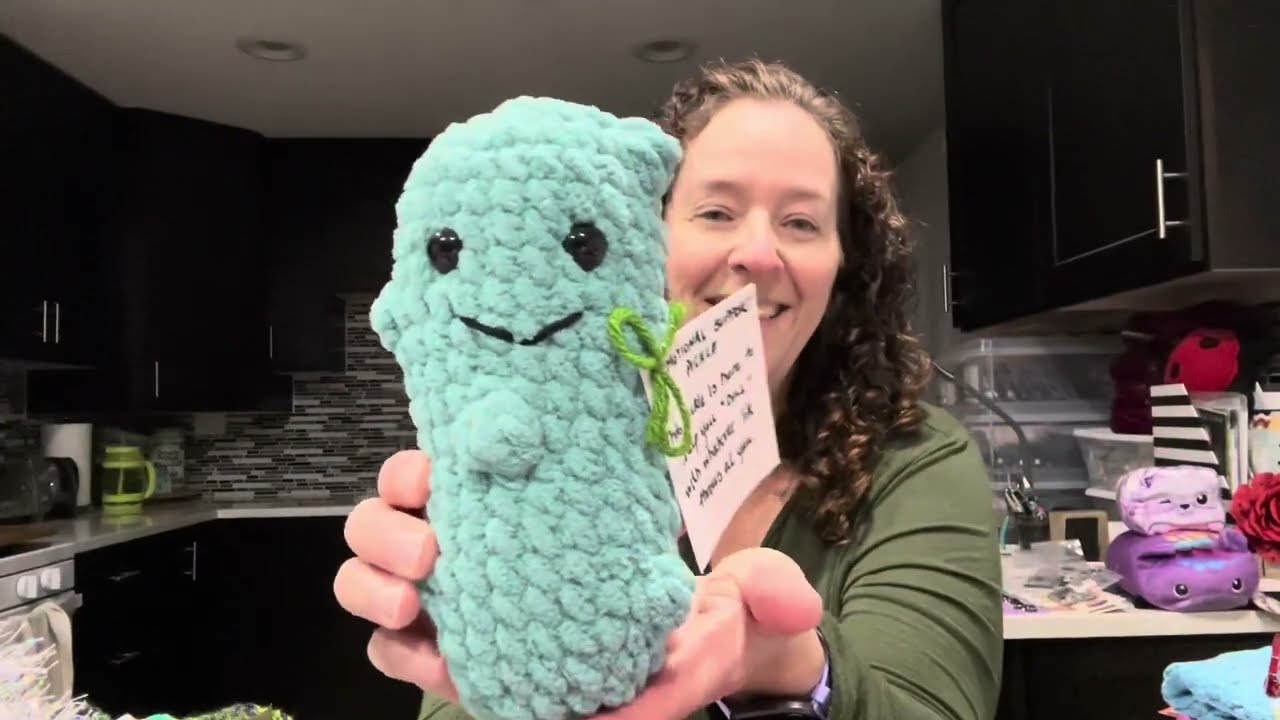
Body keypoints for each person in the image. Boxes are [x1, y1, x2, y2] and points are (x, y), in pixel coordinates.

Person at [334, 58, 1004, 720]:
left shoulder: (915, 460)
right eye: (716, 212)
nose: (758, 254)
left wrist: (791, 668)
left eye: (801, 222)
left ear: (843, 267)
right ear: (644, 235)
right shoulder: (531, 453)